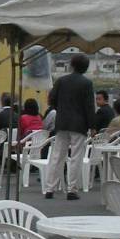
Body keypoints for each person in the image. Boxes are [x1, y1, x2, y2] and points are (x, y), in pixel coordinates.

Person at [44, 54, 94, 199]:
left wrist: (61, 109)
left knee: (57, 156)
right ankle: (72, 189)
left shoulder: (61, 81)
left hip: (62, 121)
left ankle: (50, 188)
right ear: (85, 67)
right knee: (76, 157)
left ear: (72, 65)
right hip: (79, 124)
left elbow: (51, 99)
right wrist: (92, 126)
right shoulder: (86, 83)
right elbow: (89, 106)